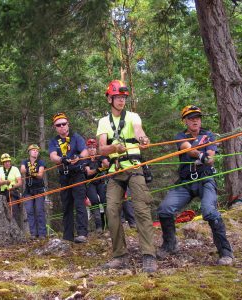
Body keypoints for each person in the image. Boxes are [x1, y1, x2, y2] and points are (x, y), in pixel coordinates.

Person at [157, 105, 233, 265]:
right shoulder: (180, 136)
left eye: (197, 117)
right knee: (165, 209)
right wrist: (200, 154)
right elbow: (187, 149)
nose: (195, 121)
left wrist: (207, 158)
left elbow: (211, 156)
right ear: (185, 121)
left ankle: (225, 252)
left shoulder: (209, 135)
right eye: (191, 118)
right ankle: (169, 245)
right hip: (186, 181)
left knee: (209, 211)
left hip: (205, 179)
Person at [96, 80, 157, 273]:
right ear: (109, 99)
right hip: (115, 171)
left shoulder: (132, 116)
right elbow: (101, 148)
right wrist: (114, 147)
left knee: (141, 209)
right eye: (118, 97)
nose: (121, 101)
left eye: (123, 98)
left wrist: (143, 139)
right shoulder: (103, 122)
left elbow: (139, 131)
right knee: (112, 212)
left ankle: (148, 254)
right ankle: (119, 255)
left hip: (134, 167)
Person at [49, 112, 89, 243]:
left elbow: (85, 151)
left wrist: (79, 158)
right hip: (64, 176)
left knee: (79, 203)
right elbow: (52, 156)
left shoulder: (76, 137)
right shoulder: (54, 141)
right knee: (66, 205)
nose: (61, 127)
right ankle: (67, 236)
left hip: (77, 174)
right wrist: (61, 159)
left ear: (68, 124)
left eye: (63, 124)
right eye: (58, 125)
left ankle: (82, 233)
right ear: (55, 127)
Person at [20, 144, 47, 239]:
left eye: (37, 150)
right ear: (29, 152)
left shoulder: (41, 162)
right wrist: (31, 171)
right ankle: (33, 233)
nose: (35, 151)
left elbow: (40, 175)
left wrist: (31, 172)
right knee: (30, 211)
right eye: (33, 150)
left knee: (39, 210)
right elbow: (22, 170)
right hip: (28, 190)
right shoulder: (25, 161)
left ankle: (42, 233)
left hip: (39, 189)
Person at [84, 138, 110, 234]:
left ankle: (110, 225)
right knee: (94, 202)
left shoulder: (100, 157)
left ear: (96, 149)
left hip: (101, 182)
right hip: (90, 183)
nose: (92, 150)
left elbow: (106, 164)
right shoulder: (85, 160)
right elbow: (89, 172)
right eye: (90, 148)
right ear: (87, 149)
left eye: (93, 148)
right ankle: (98, 226)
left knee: (105, 201)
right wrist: (99, 169)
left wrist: (105, 162)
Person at [0, 153, 23, 228]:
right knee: (2, 212)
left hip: (13, 192)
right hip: (3, 193)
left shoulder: (15, 169)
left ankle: (17, 228)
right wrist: (5, 182)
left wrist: (14, 186)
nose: (7, 163)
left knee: (14, 210)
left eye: (8, 161)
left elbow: (20, 182)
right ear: (2, 163)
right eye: (5, 162)